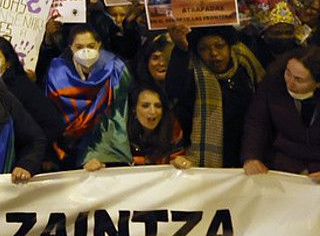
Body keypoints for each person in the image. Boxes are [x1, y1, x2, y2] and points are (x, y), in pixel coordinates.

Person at [165, 24, 264, 167]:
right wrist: (181, 50)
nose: (214, 53)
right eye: (204, 49)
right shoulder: (192, 72)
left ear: (230, 46)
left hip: (246, 155)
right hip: (206, 160)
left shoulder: (245, 64)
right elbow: (174, 89)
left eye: (219, 46)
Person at [43, 24, 132, 169]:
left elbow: (120, 109)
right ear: (70, 47)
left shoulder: (116, 68)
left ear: (99, 45)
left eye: (90, 46)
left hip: (107, 145)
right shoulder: (57, 71)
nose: (85, 51)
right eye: (79, 47)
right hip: (67, 150)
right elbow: (51, 112)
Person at [241, 47, 320, 179]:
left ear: (317, 83)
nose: (290, 82)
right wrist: (251, 157)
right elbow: (257, 123)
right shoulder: (272, 85)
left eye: (299, 80)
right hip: (283, 163)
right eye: (288, 73)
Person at [126, 86, 190, 168]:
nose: (153, 111)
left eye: (158, 106)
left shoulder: (173, 131)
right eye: (145, 106)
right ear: (134, 109)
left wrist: (180, 162)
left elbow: (179, 159)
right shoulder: (121, 133)